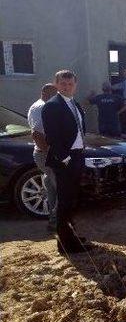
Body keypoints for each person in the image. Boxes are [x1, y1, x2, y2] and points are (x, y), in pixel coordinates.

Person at [41, 70, 90, 254]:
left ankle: (72, 236)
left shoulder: (73, 103)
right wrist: (66, 159)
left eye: (70, 84)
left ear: (75, 85)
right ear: (56, 84)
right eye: (63, 84)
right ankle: (65, 244)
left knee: (73, 200)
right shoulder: (52, 105)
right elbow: (52, 137)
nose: (67, 87)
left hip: (77, 156)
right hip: (65, 160)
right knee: (64, 202)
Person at [28, 83, 58, 230]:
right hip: (45, 154)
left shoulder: (41, 106)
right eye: (55, 93)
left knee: (52, 187)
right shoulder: (41, 108)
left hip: (45, 153)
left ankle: (55, 221)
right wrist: (50, 153)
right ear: (47, 93)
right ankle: (58, 222)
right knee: (60, 187)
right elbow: (36, 134)